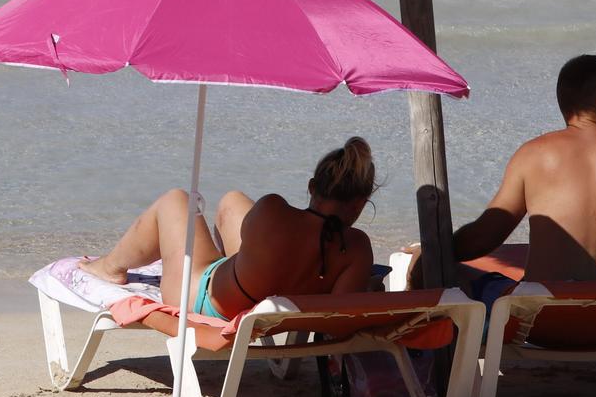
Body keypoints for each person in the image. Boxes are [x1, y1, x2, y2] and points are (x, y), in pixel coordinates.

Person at [80, 138, 380, 324]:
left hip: (204, 301)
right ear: (360, 204)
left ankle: (110, 267)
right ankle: (244, 272)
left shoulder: (273, 210)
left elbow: (255, 236)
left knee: (177, 200)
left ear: (312, 187)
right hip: (269, 310)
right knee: (232, 202)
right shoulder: (357, 249)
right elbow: (339, 319)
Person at [452, 54, 596, 286]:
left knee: (442, 269)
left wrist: (438, 250)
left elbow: (483, 239)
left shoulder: (532, 155)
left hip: (542, 312)